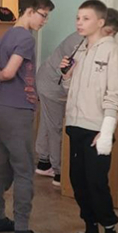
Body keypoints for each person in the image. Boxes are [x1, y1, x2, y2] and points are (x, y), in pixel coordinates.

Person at [0, 0, 54, 233]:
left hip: (2, 106)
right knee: (24, 168)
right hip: (18, 111)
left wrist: (1, 85)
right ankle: (22, 231)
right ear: (29, 11)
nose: (44, 21)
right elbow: (7, 72)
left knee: (2, 164)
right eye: (43, 15)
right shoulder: (25, 38)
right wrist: (5, 76)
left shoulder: (6, 35)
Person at [59, 2, 118, 233]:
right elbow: (72, 91)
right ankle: (90, 231)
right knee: (78, 181)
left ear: (100, 22)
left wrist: (106, 130)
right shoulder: (81, 51)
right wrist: (67, 76)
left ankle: (111, 232)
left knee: (96, 182)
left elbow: (114, 94)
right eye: (78, 17)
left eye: (86, 18)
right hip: (76, 125)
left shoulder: (111, 51)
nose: (79, 22)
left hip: (96, 130)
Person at [34, 31, 83, 186]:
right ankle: (59, 173)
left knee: (48, 121)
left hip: (47, 80)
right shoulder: (82, 42)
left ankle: (44, 162)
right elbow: (73, 71)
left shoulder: (83, 37)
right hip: (53, 85)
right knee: (56, 127)